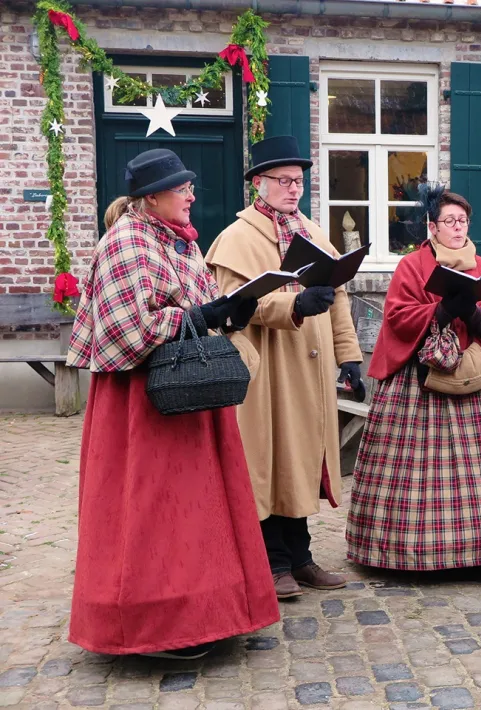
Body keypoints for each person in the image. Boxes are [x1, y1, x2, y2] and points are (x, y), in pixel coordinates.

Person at [66, 149, 278, 659]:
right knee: (155, 513)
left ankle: (213, 614)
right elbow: (126, 329)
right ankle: (156, 626)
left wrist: (232, 310)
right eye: (181, 188)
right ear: (151, 197)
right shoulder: (125, 242)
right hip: (141, 402)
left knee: (201, 508)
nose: (190, 195)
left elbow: (197, 307)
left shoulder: (180, 242)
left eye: (189, 186)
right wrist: (202, 315)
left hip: (188, 392)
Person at [345, 185, 481, 571]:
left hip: (476, 381)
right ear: (432, 227)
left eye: (462, 221)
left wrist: (477, 315)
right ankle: (408, 552)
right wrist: (440, 310)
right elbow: (398, 316)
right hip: (418, 383)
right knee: (415, 475)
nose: (456, 227)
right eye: (448, 221)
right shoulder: (411, 267)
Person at [206, 136, 363, 600]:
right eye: (283, 180)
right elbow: (233, 305)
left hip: (310, 369)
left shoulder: (312, 232)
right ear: (259, 183)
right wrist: (292, 304)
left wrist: (348, 353)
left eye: (298, 180)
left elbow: (338, 297)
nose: (294, 188)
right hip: (266, 369)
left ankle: (301, 556)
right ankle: (272, 562)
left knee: (301, 460)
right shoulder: (237, 237)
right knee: (269, 458)